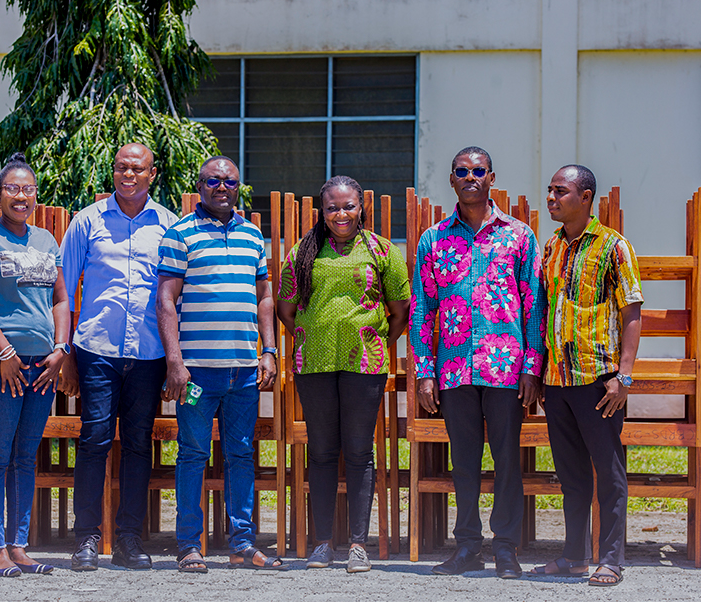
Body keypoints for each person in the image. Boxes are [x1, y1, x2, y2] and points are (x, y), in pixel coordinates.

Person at [409, 146, 545, 579]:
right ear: (451, 179)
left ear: (491, 178)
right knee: (463, 462)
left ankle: (506, 547)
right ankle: (467, 545)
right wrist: (425, 372)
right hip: (454, 370)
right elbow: (421, 310)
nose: (471, 177)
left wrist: (532, 366)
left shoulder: (519, 235)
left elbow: (534, 305)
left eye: (479, 170)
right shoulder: (434, 239)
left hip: (505, 369)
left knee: (506, 460)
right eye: (462, 171)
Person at [276, 175, 410, 573]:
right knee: (320, 452)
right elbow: (286, 307)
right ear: (322, 209)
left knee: (358, 452)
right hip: (313, 364)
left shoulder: (382, 249)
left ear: (361, 207)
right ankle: (322, 544)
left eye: (348, 206)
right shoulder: (303, 251)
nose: (341, 214)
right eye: (332, 207)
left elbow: (400, 308)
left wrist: (375, 337)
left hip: (364, 364)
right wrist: (309, 334)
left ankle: (356, 544)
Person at [156, 155, 282, 573]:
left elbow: (265, 297)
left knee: (241, 454)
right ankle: (188, 545)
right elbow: (166, 300)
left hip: (244, 369)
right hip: (196, 371)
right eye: (213, 180)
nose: (222, 187)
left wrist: (269, 350)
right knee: (192, 453)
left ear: (239, 186)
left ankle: (242, 544)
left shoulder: (251, 236)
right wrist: (175, 361)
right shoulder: (180, 234)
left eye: (229, 181)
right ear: (200, 185)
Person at [58, 143, 178, 570]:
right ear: (114, 171)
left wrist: (172, 360)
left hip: (148, 355)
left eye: (137, 168)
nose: (129, 174)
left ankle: (128, 538)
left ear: (152, 173)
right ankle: (86, 539)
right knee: (92, 441)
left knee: (137, 444)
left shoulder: (169, 225)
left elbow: (175, 297)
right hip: (96, 350)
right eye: (122, 167)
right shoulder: (86, 221)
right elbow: (64, 288)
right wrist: (67, 350)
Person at [529, 165, 642, 587]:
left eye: (561, 191)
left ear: (586, 197)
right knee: (571, 476)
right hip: (557, 381)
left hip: (598, 381)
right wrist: (539, 372)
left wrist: (624, 377)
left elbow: (632, 312)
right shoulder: (551, 247)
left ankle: (611, 559)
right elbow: (544, 313)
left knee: (608, 473)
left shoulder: (614, 247)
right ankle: (574, 556)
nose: (552, 198)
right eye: (550, 190)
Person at [0, 153, 70, 577]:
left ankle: (20, 545)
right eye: (12, 188)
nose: (20, 196)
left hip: (43, 364)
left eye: (28, 189)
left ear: (36, 196)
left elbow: (61, 299)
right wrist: (5, 353)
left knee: (26, 457)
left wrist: (61, 348)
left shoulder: (47, 239)